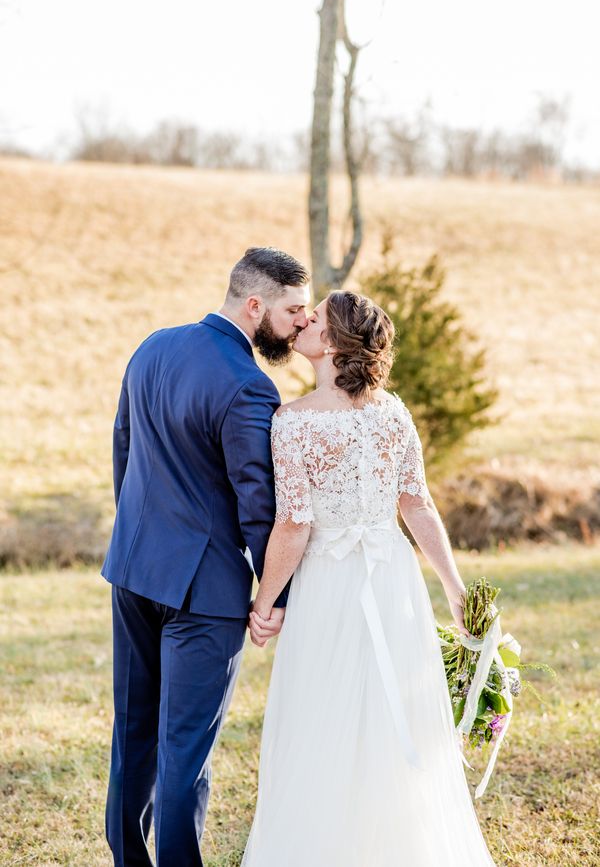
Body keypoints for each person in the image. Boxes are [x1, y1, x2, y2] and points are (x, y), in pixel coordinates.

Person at [243, 290, 496, 867]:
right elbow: (418, 506)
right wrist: (453, 589)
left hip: (330, 586)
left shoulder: (293, 421)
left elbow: (292, 527)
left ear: (331, 342)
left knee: (321, 712)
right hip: (392, 582)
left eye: (316, 318)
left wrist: (263, 603)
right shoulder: (393, 410)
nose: (304, 321)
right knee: (388, 711)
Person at [101, 247, 311, 866]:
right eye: (293, 310)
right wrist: (276, 598)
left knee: (132, 729)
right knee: (184, 751)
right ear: (255, 305)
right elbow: (258, 508)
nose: (301, 322)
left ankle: (127, 860)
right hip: (206, 594)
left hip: (134, 569)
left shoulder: (152, 347)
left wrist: (142, 537)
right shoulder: (249, 386)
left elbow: (124, 453)